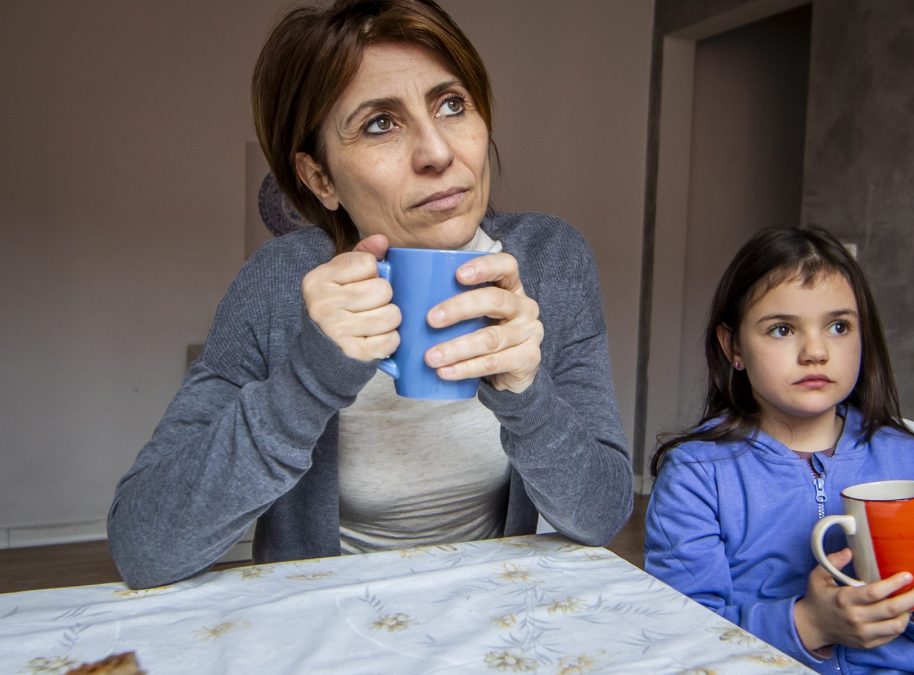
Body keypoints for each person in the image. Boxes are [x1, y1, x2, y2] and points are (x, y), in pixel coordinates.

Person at [108, 0, 633, 590]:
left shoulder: (552, 260)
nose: (438, 152)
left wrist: (527, 395)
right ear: (320, 179)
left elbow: (601, 515)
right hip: (326, 619)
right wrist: (308, 379)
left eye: (452, 105)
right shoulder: (277, 285)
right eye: (380, 123)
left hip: (491, 610)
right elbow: (143, 547)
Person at [644, 226, 914, 673]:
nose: (816, 351)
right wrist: (810, 624)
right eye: (783, 329)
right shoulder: (697, 474)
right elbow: (682, 641)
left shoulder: (911, 460)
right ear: (733, 347)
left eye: (839, 326)